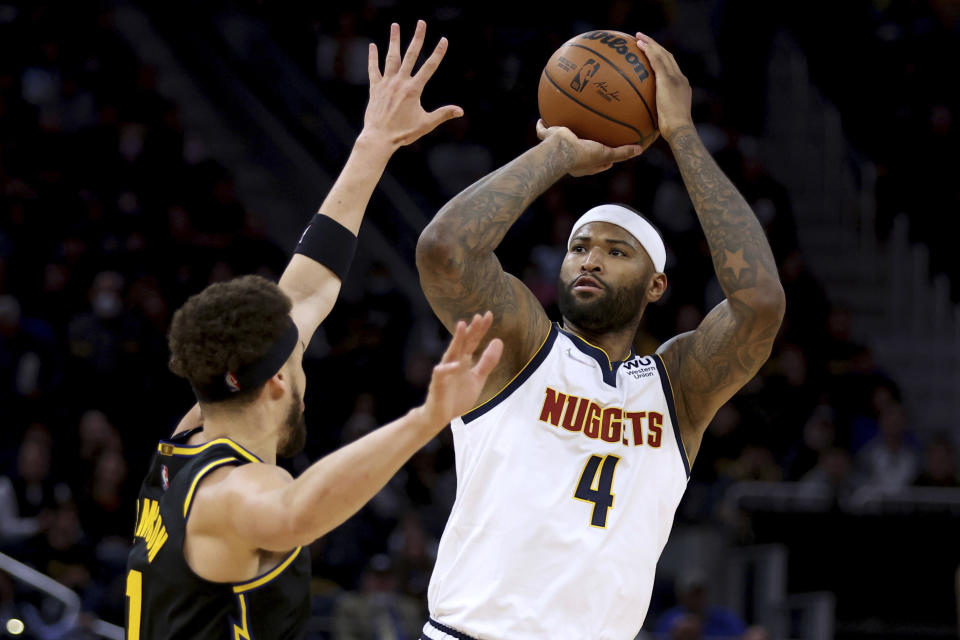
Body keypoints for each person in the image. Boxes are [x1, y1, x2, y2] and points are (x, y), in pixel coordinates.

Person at [125, 22, 503, 640]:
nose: (305, 357)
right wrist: (426, 419)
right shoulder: (233, 495)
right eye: (298, 355)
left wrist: (373, 144)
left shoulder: (191, 434)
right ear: (276, 380)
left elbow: (307, 288)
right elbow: (297, 511)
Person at [415, 32, 785, 639]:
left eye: (616, 251)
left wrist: (682, 136)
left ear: (656, 286)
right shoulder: (520, 350)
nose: (589, 260)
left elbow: (761, 304)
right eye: (579, 247)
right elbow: (443, 250)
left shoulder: (678, 391)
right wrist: (557, 151)